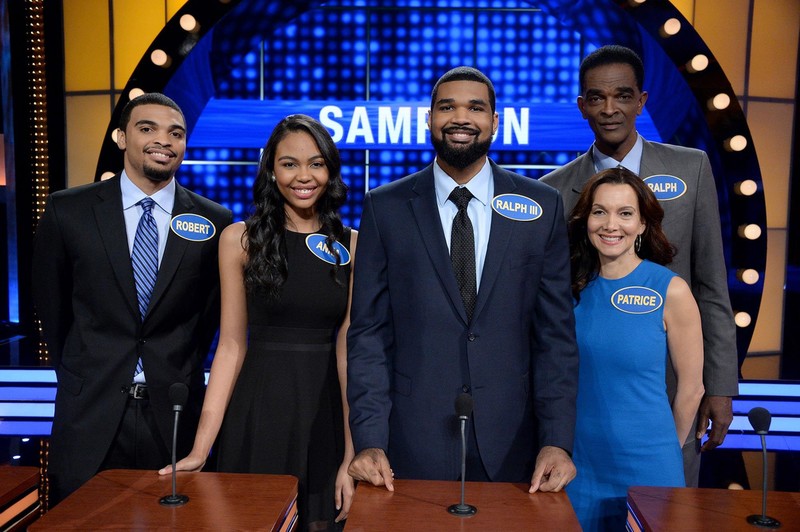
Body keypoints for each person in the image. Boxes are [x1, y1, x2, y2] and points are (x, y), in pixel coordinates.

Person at [346, 66, 579, 493]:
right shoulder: (386, 207)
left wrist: (557, 441)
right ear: (429, 119)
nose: (461, 118)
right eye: (446, 106)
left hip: (514, 446)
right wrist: (369, 440)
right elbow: (369, 336)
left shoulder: (541, 205)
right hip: (410, 445)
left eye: (476, 107)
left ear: (495, 121)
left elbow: (556, 338)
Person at [541, 44, 738, 486]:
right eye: (596, 98)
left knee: (662, 507)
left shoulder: (691, 168)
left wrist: (720, 384)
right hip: (590, 389)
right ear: (582, 106)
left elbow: (711, 283)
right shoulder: (553, 189)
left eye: (623, 96)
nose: (610, 109)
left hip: (675, 381)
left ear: (641, 101)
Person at [32, 92, 233, 504]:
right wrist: (84, 373)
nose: (164, 140)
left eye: (175, 133)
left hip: (174, 416)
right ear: (121, 137)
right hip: (90, 412)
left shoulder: (215, 221)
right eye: (148, 128)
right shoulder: (67, 210)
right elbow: (53, 312)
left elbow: (209, 320)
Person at [159, 115, 356, 531]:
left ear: (331, 170)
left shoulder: (353, 244)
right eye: (289, 163)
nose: (304, 176)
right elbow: (230, 345)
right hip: (259, 409)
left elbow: (349, 348)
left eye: (316, 163)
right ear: (270, 169)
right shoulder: (239, 240)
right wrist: (200, 448)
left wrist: (352, 452)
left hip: (327, 412)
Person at [565, 167, 705, 530]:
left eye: (625, 213)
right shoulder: (567, 289)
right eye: (600, 212)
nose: (611, 225)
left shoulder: (670, 290)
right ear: (586, 219)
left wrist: (664, 450)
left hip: (649, 466)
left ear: (643, 224)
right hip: (578, 465)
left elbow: (692, 389)